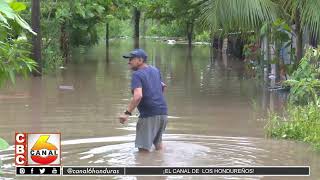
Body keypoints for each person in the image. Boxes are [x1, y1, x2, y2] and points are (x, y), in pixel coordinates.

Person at [119, 48, 168, 152]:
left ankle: (142, 167)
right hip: (163, 112)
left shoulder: (137, 74)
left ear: (140, 60)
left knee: (143, 150)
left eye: (131, 59)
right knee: (158, 146)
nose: (129, 62)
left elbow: (138, 96)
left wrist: (127, 113)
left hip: (149, 115)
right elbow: (162, 86)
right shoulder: (155, 70)